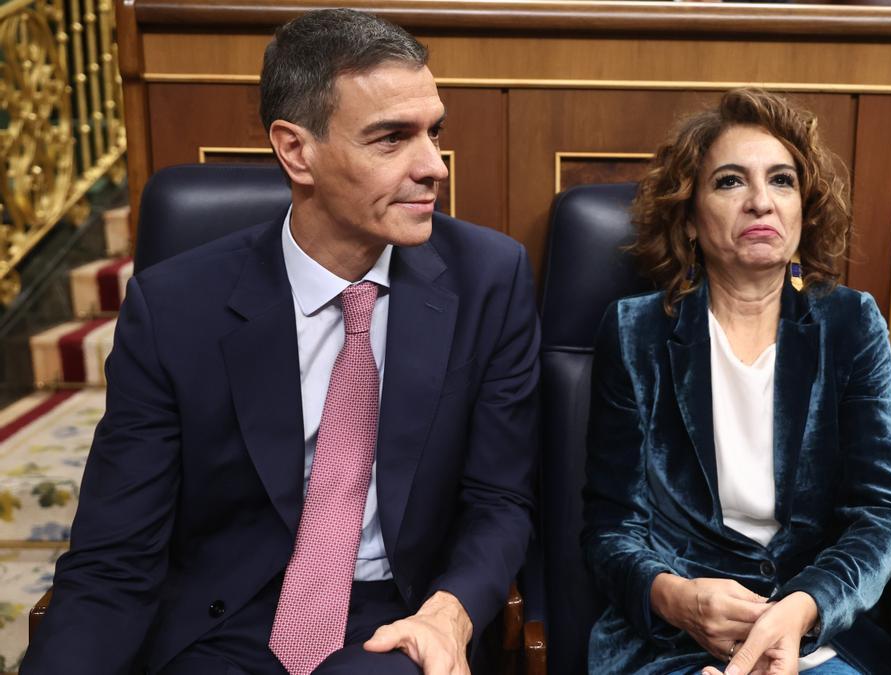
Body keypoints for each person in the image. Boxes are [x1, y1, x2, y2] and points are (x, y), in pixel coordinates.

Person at [21, 9, 539, 675]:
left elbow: (500, 501)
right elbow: (114, 555)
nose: (432, 166)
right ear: (296, 150)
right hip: (224, 621)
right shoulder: (176, 307)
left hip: (399, 619)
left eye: (433, 132)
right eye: (391, 139)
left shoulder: (489, 280)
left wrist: (452, 609)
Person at [581, 88, 891, 675]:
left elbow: (884, 510)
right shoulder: (636, 332)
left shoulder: (850, 323)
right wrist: (676, 600)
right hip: (675, 639)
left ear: (803, 210)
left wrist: (803, 608)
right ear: (688, 218)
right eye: (731, 182)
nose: (761, 201)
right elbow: (613, 529)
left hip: (815, 632)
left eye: (782, 181)